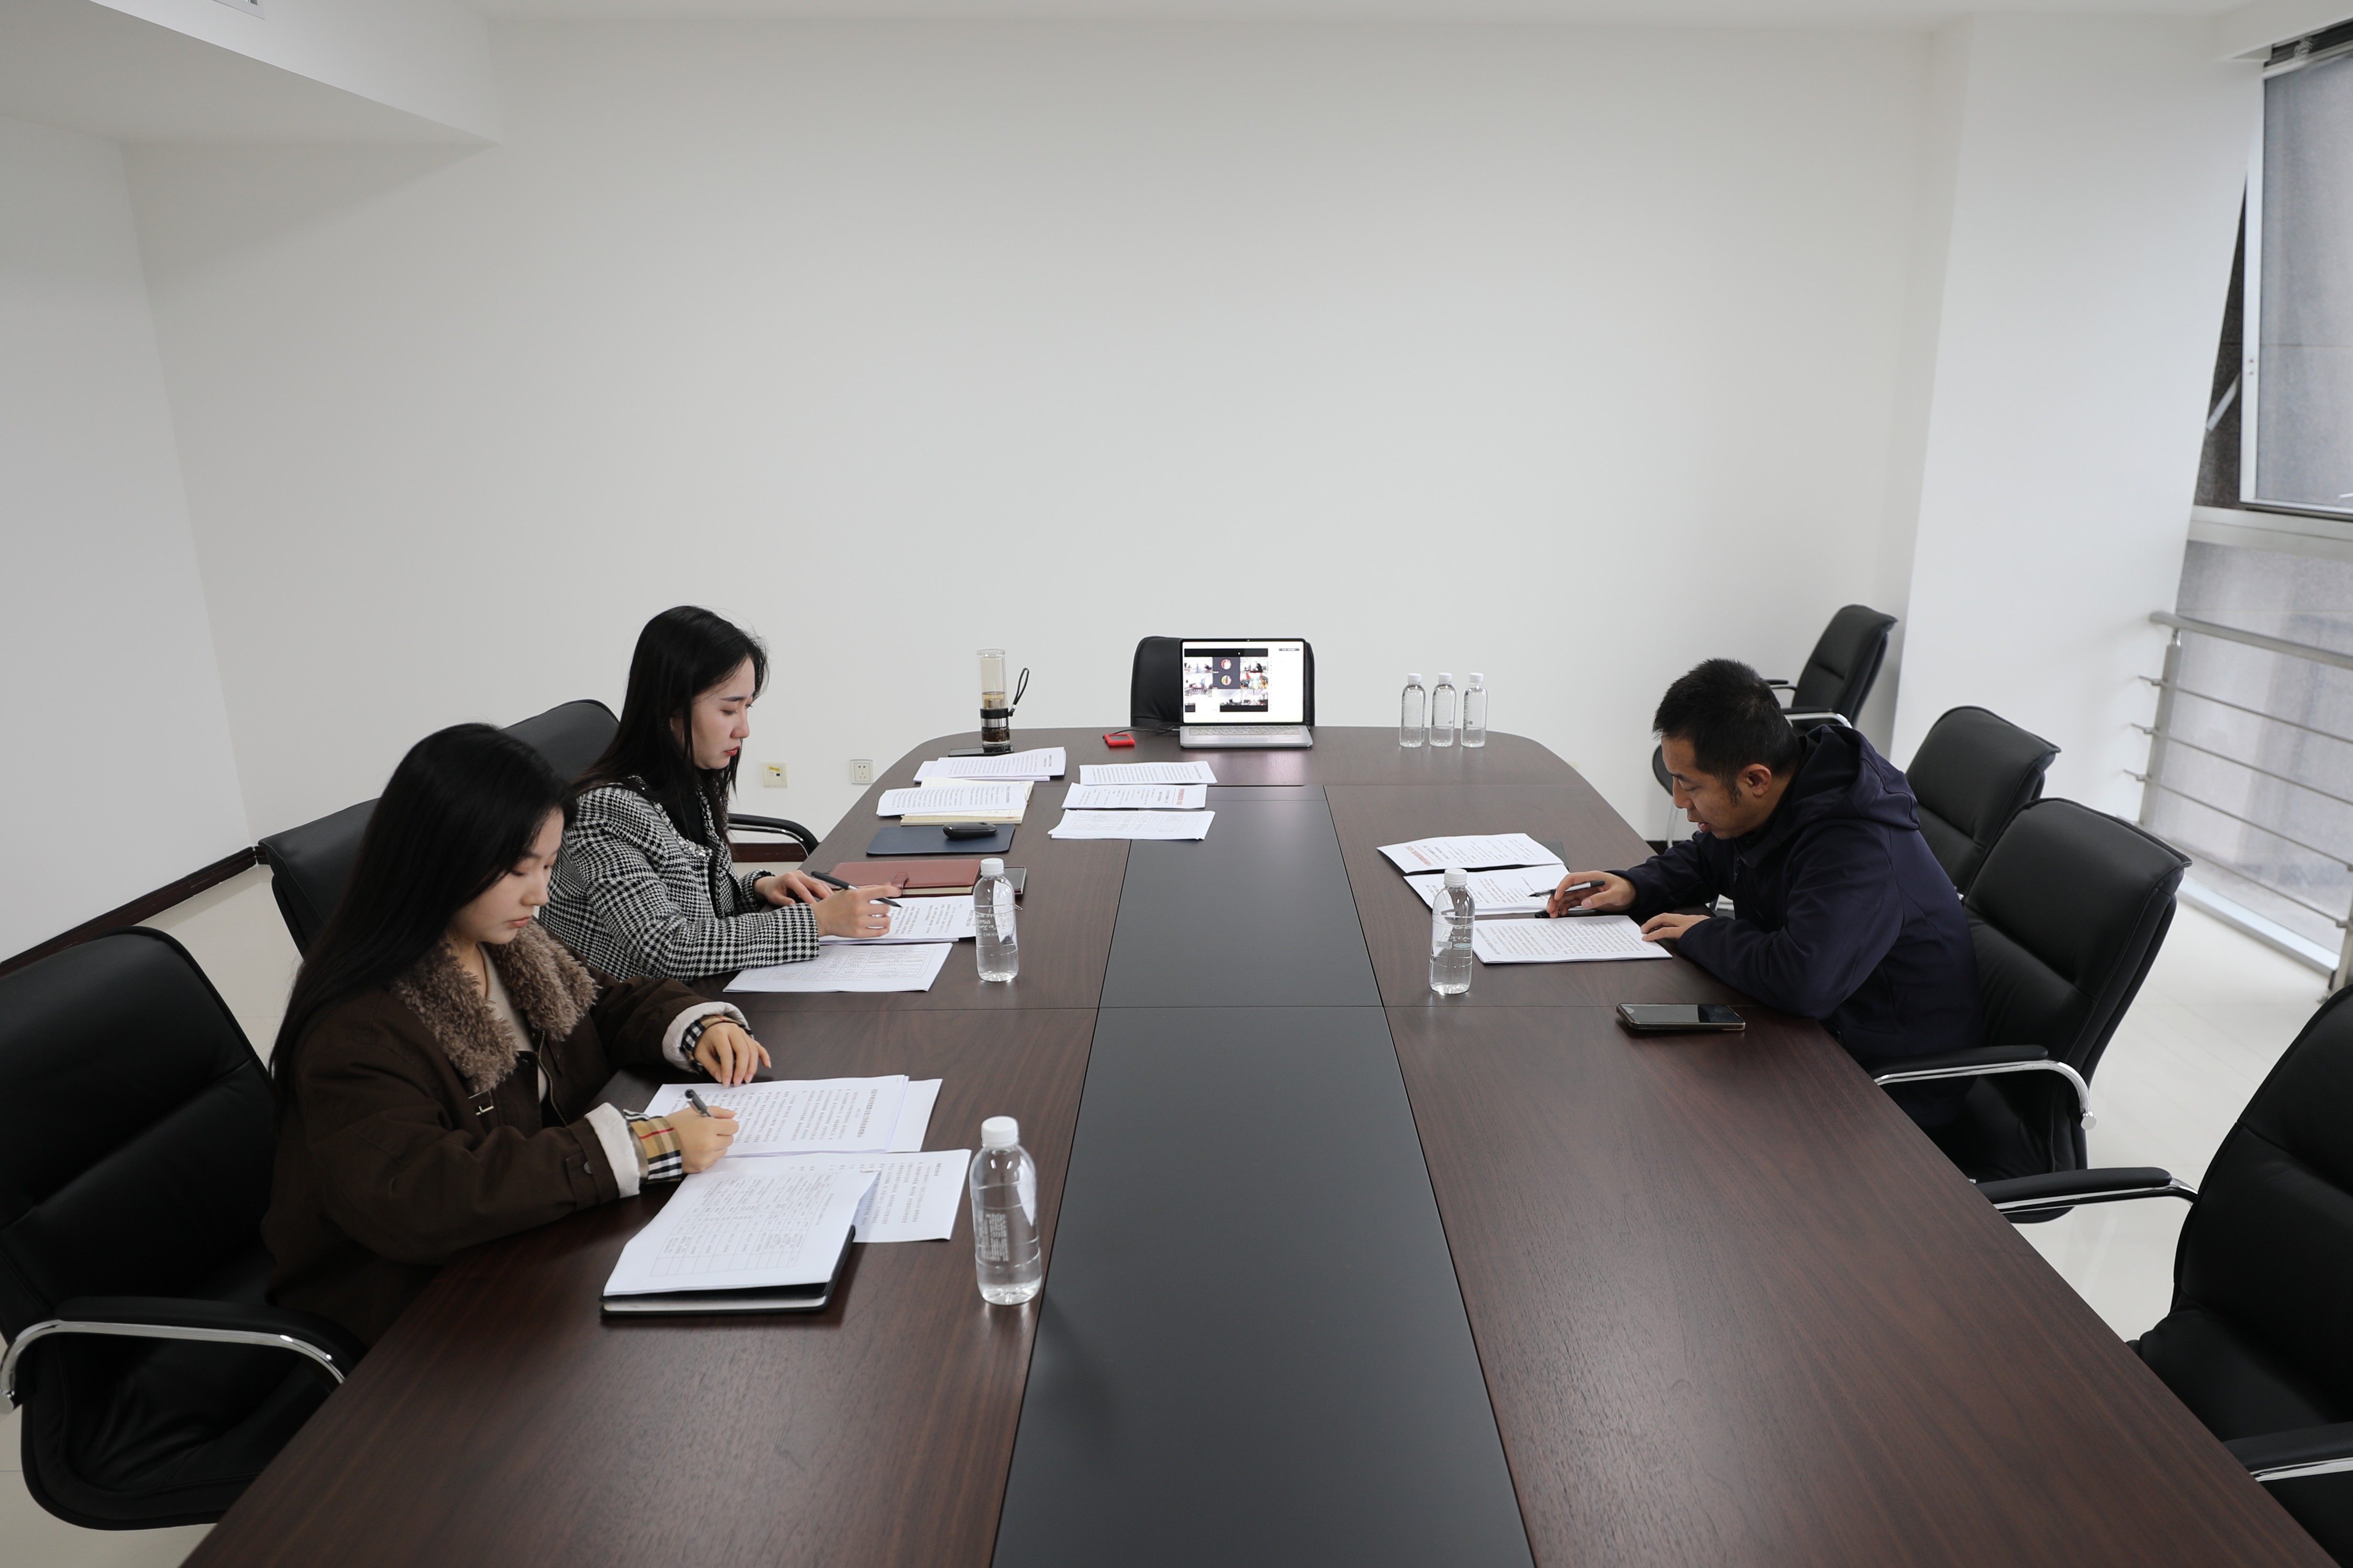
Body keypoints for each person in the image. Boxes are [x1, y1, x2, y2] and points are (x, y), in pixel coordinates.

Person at [265, 724, 773, 1345]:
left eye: (549, 865)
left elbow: (601, 1004)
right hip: (414, 1317)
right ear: (438, 859)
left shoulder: (504, 941)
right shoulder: (360, 1026)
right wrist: (642, 1147)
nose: (541, 894)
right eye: (517, 869)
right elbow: (422, 1194)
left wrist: (697, 1025)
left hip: (529, 1247)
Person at [1547, 658, 1981, 1127]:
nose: (1678, 800)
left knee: (1665, 1118)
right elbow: (1708, 858)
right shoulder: (1783, 795)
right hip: (1817, 1032)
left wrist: (1702, 933)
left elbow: (1803, 981)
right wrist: (1635, 885)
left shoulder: (1856, 846)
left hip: (1885, 1085)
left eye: (1690, 785)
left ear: (1755, 779)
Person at [543, 606, 897, 979]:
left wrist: (760, 888)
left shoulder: (689, 779)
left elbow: (699, 904)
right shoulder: (604, 810)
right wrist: (816, 921)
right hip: (624, 1006)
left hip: (690, 992)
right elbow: (667, 948)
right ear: (669, 707)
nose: (744, 729)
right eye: (729, 710)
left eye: (748, 707)